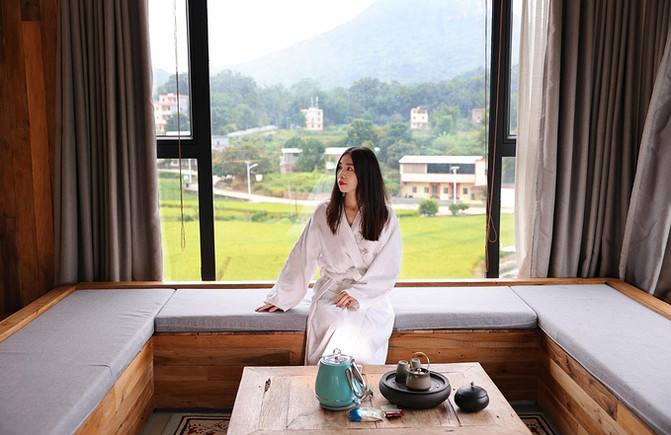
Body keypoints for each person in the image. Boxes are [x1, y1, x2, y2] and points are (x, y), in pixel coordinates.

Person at [256, 146, 402, 365]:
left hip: (370, 296)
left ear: (366, 174)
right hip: (333, 293)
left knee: (365, 330)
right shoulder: (324, 212)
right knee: (335, 321)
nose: (341, 174)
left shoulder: (385, 216)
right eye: (340, 168)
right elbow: (302, 258)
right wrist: (281, 297)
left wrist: (359, 294)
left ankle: (357, 382)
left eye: (350, 169)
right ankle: (329, 380)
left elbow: (388, 267)